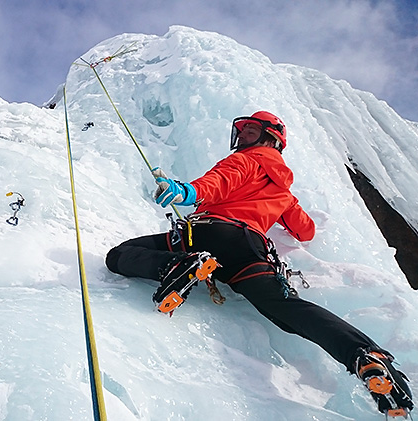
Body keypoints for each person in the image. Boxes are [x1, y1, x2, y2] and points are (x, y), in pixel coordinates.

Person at [105, 111, 413, 417]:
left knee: (119, 254)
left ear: (270, 138)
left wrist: (186, 192)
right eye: (242, 131)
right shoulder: (283, 190)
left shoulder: (245, 160)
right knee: (287, 309)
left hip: (206, 233)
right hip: (248, 249)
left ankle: (176, 266)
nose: (242, 137)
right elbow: (305, 230)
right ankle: (365, 355)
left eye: (251, 131)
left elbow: (218, 182)